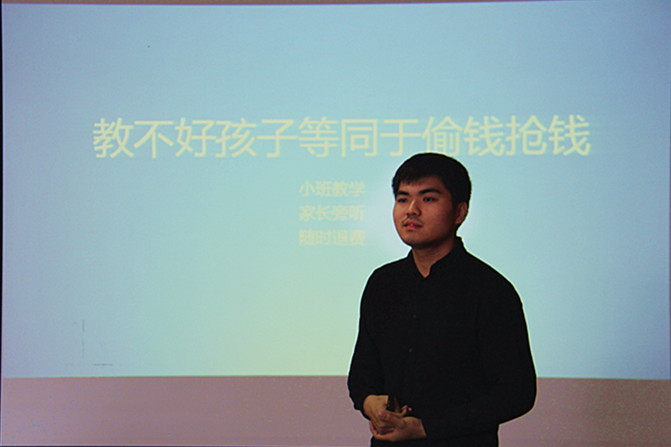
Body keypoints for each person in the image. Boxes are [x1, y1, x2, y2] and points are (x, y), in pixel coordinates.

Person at [347, 153, 536, 446]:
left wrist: (426, 428)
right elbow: (363, 372)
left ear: (459, 212)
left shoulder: (490, 290)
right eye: (402, 199)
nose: (411, 210)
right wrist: (370, 402)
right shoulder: (382, 283)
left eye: (428, 199)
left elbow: (516, 392)